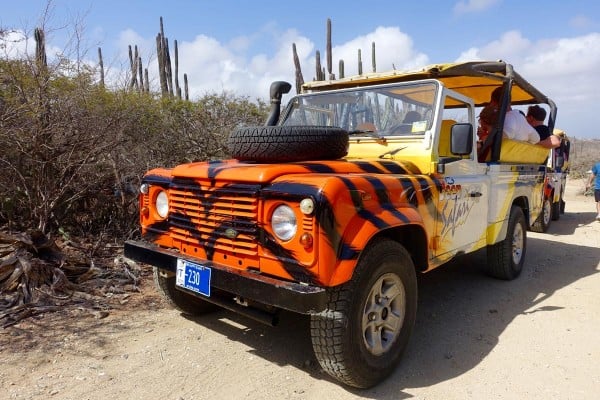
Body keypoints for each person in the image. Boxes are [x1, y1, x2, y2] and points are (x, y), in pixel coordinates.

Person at [489, 87, 560, 148]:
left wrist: (529, 144)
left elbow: (555, 142)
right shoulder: (528, 128)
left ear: (531, 118)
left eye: (526, 117)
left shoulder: (542, 130)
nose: (524, 118)